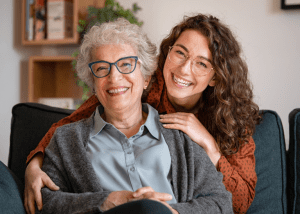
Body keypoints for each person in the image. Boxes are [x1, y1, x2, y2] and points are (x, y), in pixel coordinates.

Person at [25, 14, 260, 214]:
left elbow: (229, 202)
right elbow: (67, 128)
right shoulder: (74, 134)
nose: (184, 69)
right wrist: (34, 163)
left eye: (201, 63)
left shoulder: (209, 131)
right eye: (180, 53)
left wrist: (209, 146)